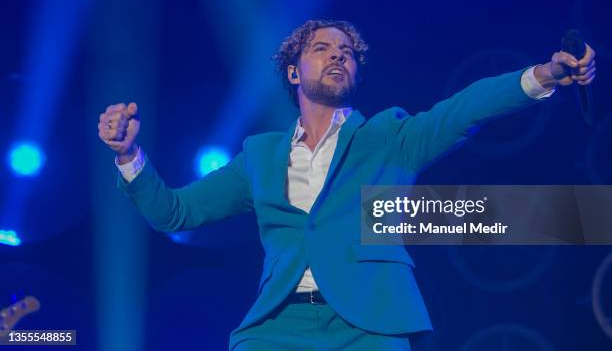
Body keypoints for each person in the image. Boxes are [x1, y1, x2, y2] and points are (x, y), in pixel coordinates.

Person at [98, 19, 596, 350]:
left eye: (348, 52)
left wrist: (542, 75)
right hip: (278, 327)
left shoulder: (388, 136)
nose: (338, 56)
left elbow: (464, 109)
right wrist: (128, 156)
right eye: (322, 49)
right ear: (294, 72)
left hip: (369, 324)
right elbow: (175, 213)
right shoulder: (260, 154)